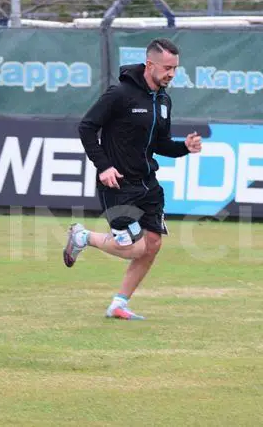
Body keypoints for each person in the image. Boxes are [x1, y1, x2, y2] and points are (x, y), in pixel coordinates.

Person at [63, 38, 202, 320]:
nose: (171, 74)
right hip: (117, 185)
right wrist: (103, 167)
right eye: (167, 68)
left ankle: (118, 304)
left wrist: (184, 148)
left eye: (175, 68)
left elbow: (160, 144)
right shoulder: (120, 94)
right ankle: (82, 236)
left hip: (148, 184)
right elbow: (87, 127)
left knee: (152, 244)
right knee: (132, 248)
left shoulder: (163, 100)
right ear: (150, 64)